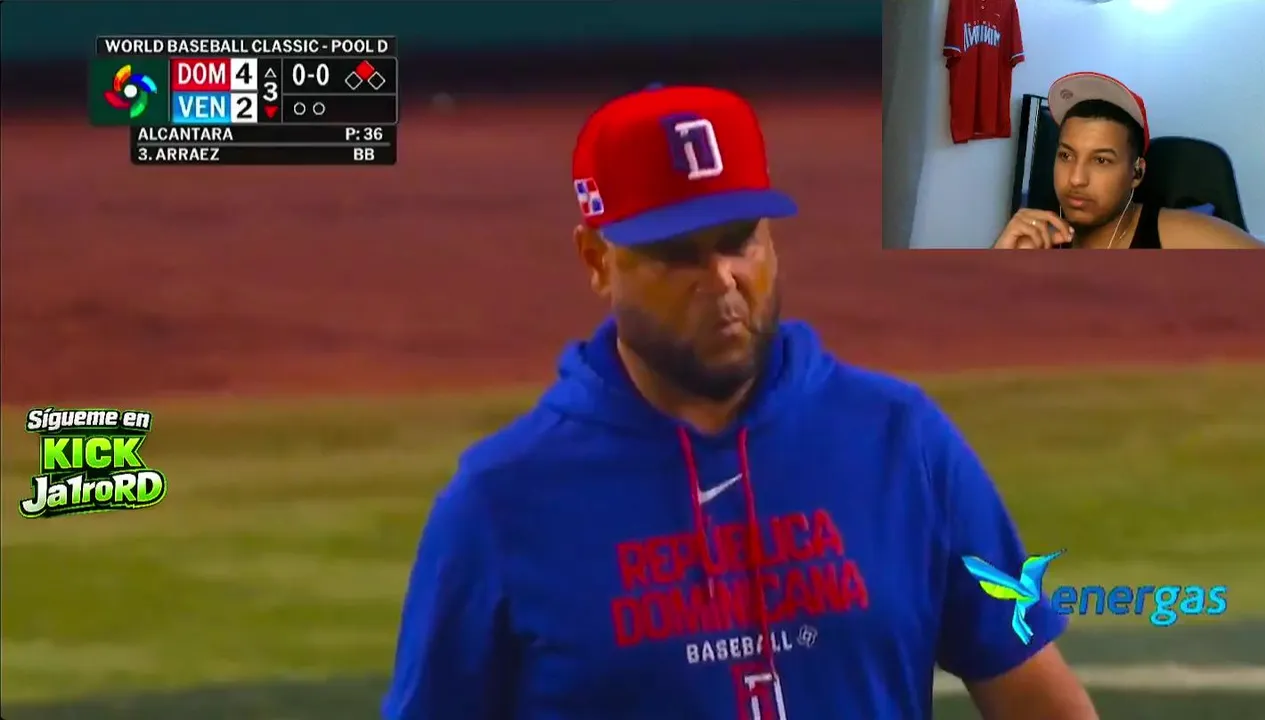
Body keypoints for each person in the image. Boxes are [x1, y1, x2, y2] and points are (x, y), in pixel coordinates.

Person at [383, 85, 1098, 719]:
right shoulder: (503, 502)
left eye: (739, 241)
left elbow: (1036, 698)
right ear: (597, 261)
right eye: (677, 253)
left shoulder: (898, 442)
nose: (721, 278)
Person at [995, 72, 1265, 249]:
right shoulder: (1038, 242)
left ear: (1136, 173)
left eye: (1101, 160)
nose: (1076, 179)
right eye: (1066, 155)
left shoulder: (1180, 236)